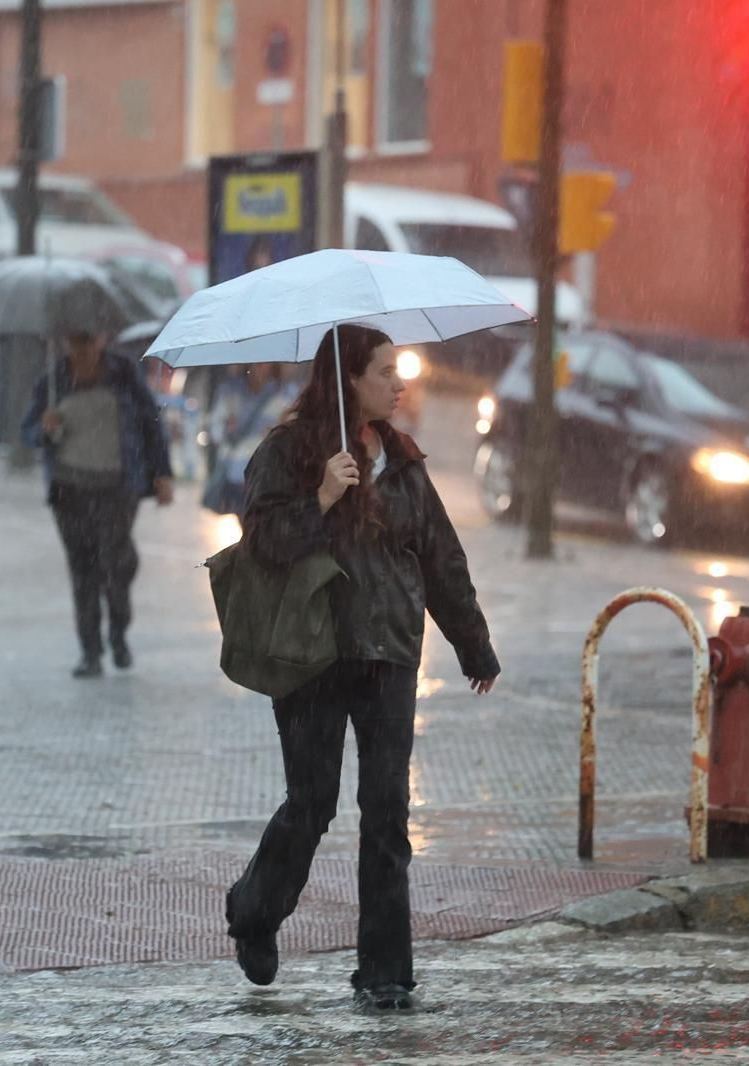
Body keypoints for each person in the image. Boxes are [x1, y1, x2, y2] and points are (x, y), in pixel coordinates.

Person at [224, 324, 500, 1012]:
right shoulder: (288, 451)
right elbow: (262, 541)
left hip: (389, 653)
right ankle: (255, 911)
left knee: (386, 812)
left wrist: (473, 644)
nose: (398, 385)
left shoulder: (402, 456)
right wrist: (320, 498)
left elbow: (439, 555)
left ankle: (385, 972)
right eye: (385, 372)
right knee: (312, 803)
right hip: (313, 654)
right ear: (348, 379)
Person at [22, 329, 175, 679]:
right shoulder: (53, 381)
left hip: (117, 489)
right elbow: (28, 432)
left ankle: (118, 632)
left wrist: (162, 472)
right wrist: (45, 428)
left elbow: (151, 423)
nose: (84, 350)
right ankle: (90, 651)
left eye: (89, 342)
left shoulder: (124, 374)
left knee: (116, 566)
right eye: (76, 342)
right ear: (66, 343)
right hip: (69, 491)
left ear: (101, 341)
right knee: (82, 572)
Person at [203, 365, 299, 516]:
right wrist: (227, 429)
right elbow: (215, 428)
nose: (259, 368)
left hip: (265, 473)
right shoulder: (230, 390)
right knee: (246, 518)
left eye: (264, 363)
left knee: (257, 519)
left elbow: (292, 430)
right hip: (235, 472)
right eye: (256, 363)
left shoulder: (284, 394)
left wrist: (279, 431)